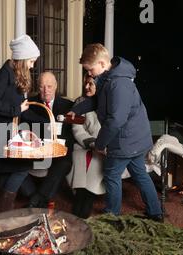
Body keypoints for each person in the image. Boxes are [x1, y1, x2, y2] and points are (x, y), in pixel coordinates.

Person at [69, 43, 164, 222]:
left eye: (90, 69)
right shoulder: (108, 78)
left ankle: (112, 216)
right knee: (140, 173)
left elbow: (116, 121)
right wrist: (78, 110)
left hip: (125, 141)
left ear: (103, 64)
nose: (88, 73)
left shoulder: (119, 84)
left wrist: (100, 144)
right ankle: (155, 212)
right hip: (134, 139)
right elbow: (98, 101)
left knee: (112, 175)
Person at [0, 34, 40, 212]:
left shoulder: (16, 74)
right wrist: (16, 110)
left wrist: (45, 121)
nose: (32, 65)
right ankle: (3, 209)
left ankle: (3, 210)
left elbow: (22, 107)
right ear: (22, 60)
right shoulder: (4, 74)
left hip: (9, 131)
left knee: (9, 169)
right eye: (31, 61)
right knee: (22, 166)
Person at [22, 72, 75, 208]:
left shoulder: (68, 106)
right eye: (42, 87)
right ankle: (37, 197)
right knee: (13, 163)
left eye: (49, 86)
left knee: (64, 163)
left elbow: (70, 134)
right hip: (36, 151)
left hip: (58, 152)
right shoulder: (29, 105)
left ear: (56, 86)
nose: (46, 90)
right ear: (37, 87)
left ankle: (37, 199)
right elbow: (24, 130)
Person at [66, 75, 105, 218]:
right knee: (78, 160)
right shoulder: (79, 103)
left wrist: (99, 143)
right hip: (82, 144)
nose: (86, 87)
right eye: (86, 84)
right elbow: (77, 129)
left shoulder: (107, 103)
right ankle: (79, 201)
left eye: (91, 84)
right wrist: (89, 142)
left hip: (101, 147)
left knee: (96, 164)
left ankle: (86, 204)